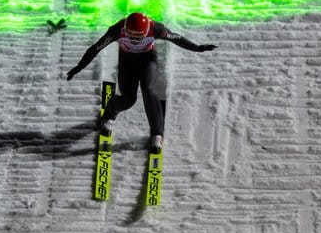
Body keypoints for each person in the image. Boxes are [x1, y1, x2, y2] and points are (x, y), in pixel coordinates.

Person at [66, 12, 216, 152]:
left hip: (147, 60)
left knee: (149, 90)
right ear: (126, 30)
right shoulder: (116, 30)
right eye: (132, 37)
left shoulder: (156, 28)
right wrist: (79, 67)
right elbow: (95, 48)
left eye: (139, 37)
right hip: (127, 63)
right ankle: (109, 114)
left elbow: (176, 38)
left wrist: (197, 48)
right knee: (128, 100)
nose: (135, 40)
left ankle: (157, 133)